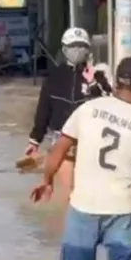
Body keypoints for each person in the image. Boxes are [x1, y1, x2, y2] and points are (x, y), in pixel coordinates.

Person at [29, 56, 131, 260]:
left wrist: (47, 181)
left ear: (117, 83)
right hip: (123, 212)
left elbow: (59, 149)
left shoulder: (87, 109)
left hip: (83, 207)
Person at [22, 27, 112, 195]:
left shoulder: (98, 76)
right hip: (62, 142)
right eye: (73, 46)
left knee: (92, 193)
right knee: (70, 193)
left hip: (91, 142)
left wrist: (93, 83)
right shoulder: (54, 76)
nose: (77, 50)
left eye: (81, 46)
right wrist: (34, 141)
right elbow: (43, 110)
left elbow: (108, 105)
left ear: (88, 50)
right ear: (64, 49)